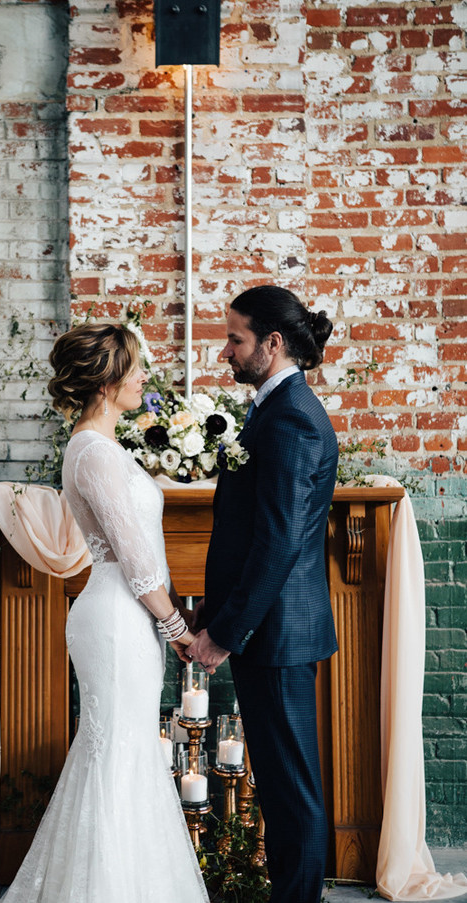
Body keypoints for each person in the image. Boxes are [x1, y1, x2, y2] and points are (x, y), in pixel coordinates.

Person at [0, 323, 208, 903]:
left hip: (125, 616)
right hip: (118, 617)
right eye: (137, 367)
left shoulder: (104, 448)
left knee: (127, 749)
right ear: (108, 378)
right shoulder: (92, 451)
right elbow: (137, 559)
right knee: (118, 752)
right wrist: (177, 629)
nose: (144, 377)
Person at [187, 285, 339, 903]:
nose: (226, 350)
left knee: (290, 790)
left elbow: (277, 543)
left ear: (271, 344)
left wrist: (223, 632)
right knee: (280, 787)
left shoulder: (293, 420)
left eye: (235, 338)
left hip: (276, 633)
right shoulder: (274, 410)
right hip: (271, 631)